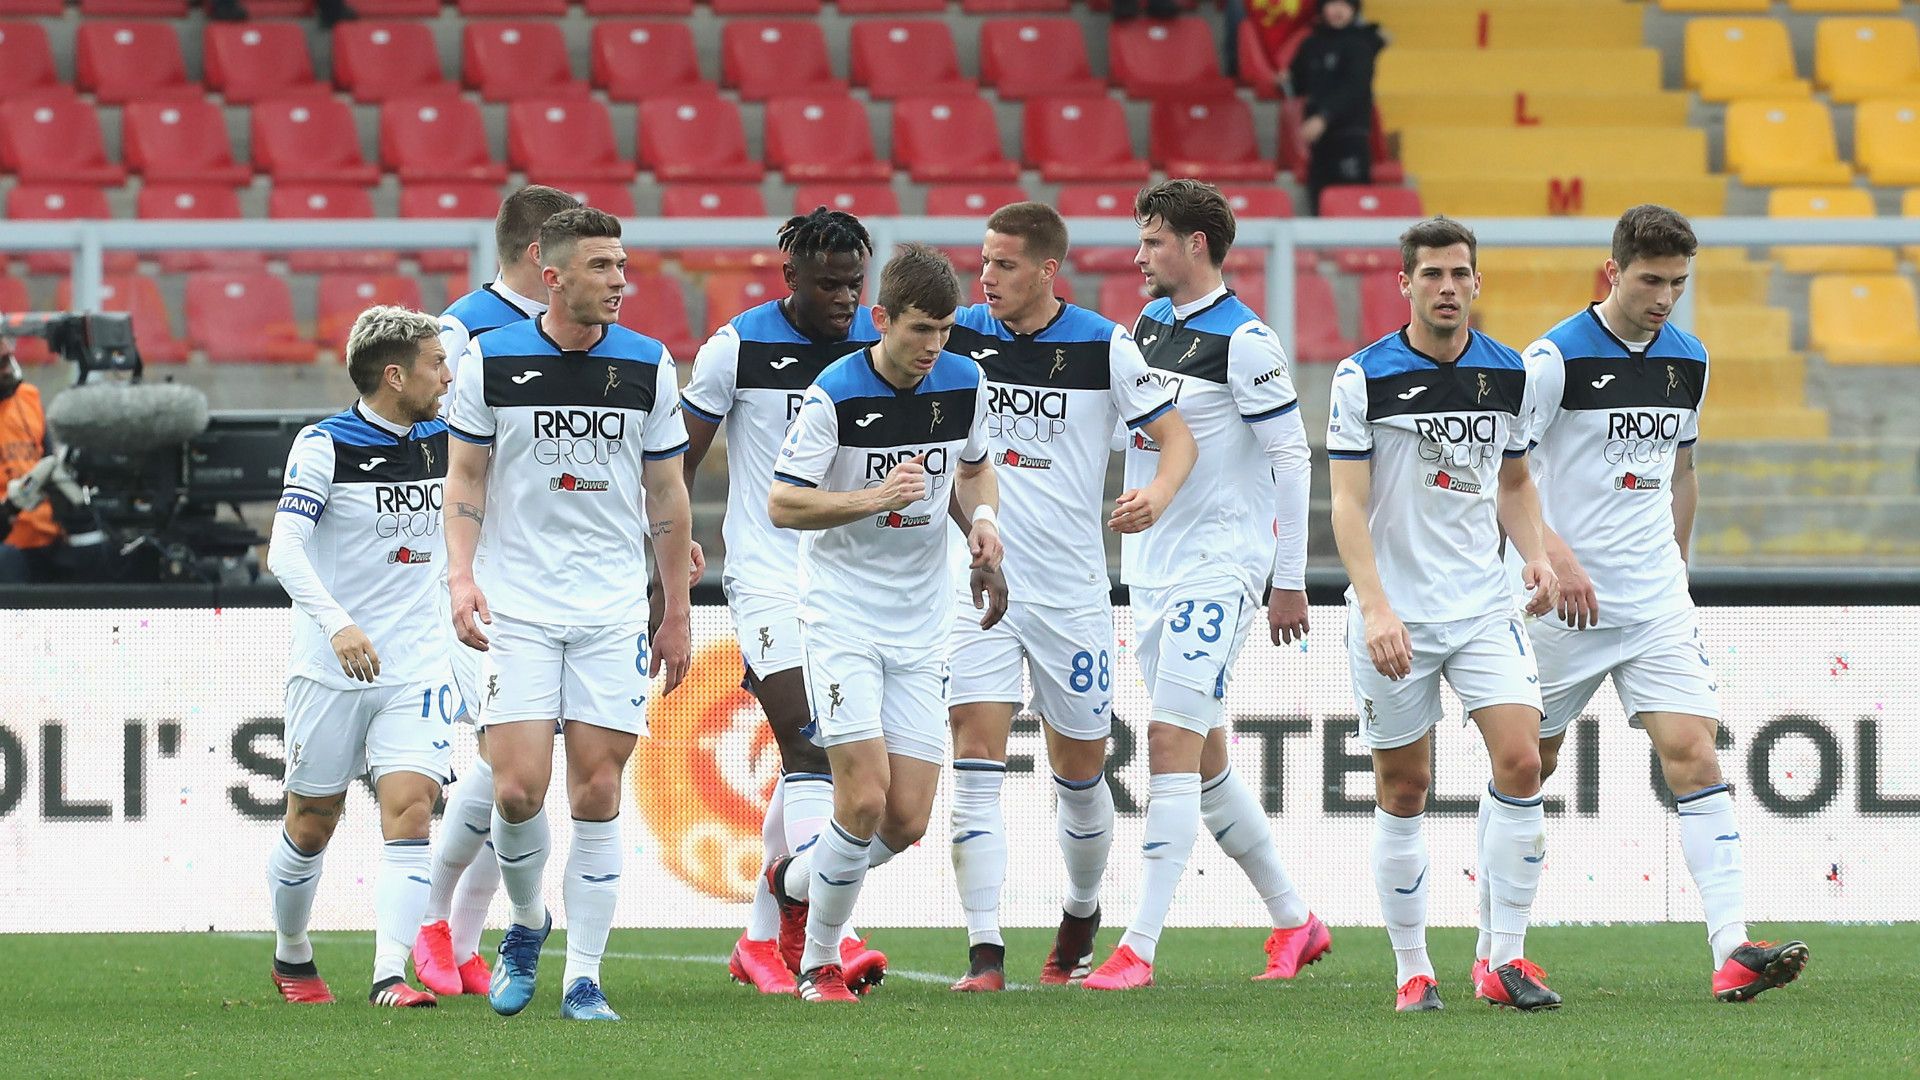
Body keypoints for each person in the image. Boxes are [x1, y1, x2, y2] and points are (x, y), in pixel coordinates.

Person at [1510, 204, 1809, 1003]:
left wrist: (1676, 568)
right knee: (1526, 764)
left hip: (1652, 603)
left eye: (1678, 282)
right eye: (1650, 281)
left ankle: (1732, 948)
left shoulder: (1690, 359)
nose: (1665, 297)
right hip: (1559, 602)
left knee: (1696, 754)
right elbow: (1512, 476)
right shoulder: (1552, 359)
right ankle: (1500, 952)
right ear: (1614, 272)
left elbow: (1682, 474)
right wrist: (1555, 558)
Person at [444, 207, 695, 1022]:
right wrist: (459, 576)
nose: (620, 281)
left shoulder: (650, 366)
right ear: (552, 276)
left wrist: (677, 611)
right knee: (516, 790)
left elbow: (668, 495)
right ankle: (527, 921)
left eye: (622, 266)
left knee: (596, 789)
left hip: (609, 610)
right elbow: (466, 482)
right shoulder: (488, 361)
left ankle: (583, 977)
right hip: (515, 607)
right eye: (601, 267)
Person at [940, 201, 1197, 992]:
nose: (986, 278)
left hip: (1072, 595)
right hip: (979, 584)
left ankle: (1081, 911)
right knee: (974, 756)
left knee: (1080, 774)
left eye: (1005, 265)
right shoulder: (955, 339)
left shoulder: (1103, 346)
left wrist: (1156, 490)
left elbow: (1179, 438)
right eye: (983, 262)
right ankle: (985, 952)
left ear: (1048, 271)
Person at [1084, 180, 1329, 991]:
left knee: (1167, 745)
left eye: (1152, 241)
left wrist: (1286, 579)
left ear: (1195, 245)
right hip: (1151, 570)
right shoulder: (1148, 325)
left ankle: (1138, 949)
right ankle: (1296, 921)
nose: (1138, 255)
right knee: (1208, 759)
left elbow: (1293, 458)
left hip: (1221, 570)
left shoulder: (1248, 343)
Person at [1324, 216, 1562, 1013]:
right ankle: (1411, 969)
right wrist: (1376, 607)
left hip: (1482, 605)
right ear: (1405, 284)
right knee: (1405, 785)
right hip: (1397, 615)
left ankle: (1507, 959)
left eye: (1461, 274)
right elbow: (1347, 507)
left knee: (1524, 764)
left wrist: (1533, 551)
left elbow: (1517, 483)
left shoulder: (1509, 374)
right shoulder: (1363, 377)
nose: (1448, 288)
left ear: (1477, 283)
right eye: (1431, 275)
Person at [762, 244, 1002, 1004]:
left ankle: (792, 882)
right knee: (860, 801)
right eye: (920, 330)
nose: (933, 347)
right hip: (841, 619)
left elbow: (972, 465)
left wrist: (983, 524)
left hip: (924, 622)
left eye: (944, 331)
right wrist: (873, 498)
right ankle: (819, 963)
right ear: (882, 320)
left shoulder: (965, 381)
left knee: (903, 821)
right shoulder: (835, 393)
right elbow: (784, 503)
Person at [679, 207, 891, 996]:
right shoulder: (735, 348)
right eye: (829, 284)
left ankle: (761, 936)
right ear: (789, 277)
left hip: (851, 581)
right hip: (767, 574)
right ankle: (830, 934)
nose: (844, 298)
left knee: (847, 768)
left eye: (855, 284)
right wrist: (673, 546)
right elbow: (681, 458)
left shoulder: (880, 351)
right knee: (809, 747)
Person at [412, 183, 579, 1000]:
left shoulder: (590, 335)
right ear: (542, 255)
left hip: (565, 582)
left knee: (516, 766)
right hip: (488, 576)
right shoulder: (462, 329)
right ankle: (436, 922)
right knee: (498, 758)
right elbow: (441, 447)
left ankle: (466, 936)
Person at [263, 306, 455, 1009]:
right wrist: (339, 625)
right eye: (436, 364)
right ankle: (292, 954)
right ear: (395, 374)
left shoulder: (448, 437)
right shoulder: (325, 445)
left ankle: (389, 975)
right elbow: (283, 549)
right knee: (312, 819)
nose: (447, 375)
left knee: (411, 808)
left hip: (416, 663)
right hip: (332, 664)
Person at [1286, 0, 1385, 214]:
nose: (1338, 10)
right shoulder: (1311, 44)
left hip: (1351, 137)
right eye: (1332, 3)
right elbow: (1297, 82)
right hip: (1319, 143)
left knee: (1353, 207)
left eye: (1346, 5)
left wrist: (1323, 117)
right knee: (1319, 207)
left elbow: (1354, 88)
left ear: (1354, 9)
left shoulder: (1361, 43)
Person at [0, 340, 61, 583]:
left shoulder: (28, 397)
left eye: (7, 360)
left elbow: (51, 462)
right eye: (0, 364)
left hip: (48, 533)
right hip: (8, 543)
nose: (8, 370)